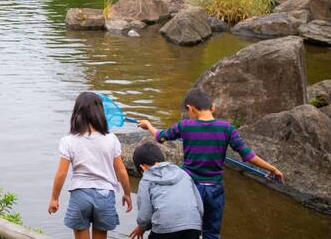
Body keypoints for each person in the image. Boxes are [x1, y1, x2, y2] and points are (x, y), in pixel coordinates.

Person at [138, 89, 284, 239]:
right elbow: (248, 156)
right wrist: (272, 168)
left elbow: (160, 137)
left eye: (188, 111)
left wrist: (148, 125)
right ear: (212, 107)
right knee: (212, 233)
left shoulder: (185, 126)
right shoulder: (227, 128)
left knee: (187, 226)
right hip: (215, 189)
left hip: (190, 186)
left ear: (191, 108)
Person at [50, 92, 134, 239]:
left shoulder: (68, 140)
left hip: (80, 193)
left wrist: (54, 198)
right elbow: (121, 170)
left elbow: (61, 173)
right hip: (105, 194)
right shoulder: (111, 139)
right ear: (100, 113)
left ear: (76, 113)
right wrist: (126, 193)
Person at [129, 143, 204, 239]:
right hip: (193, 225)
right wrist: (197, 225)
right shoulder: (183, 174)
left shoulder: (146, 180)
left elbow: (145, 216)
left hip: (165, 228)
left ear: (142, 167)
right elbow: (200, 206)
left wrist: (142, 227)